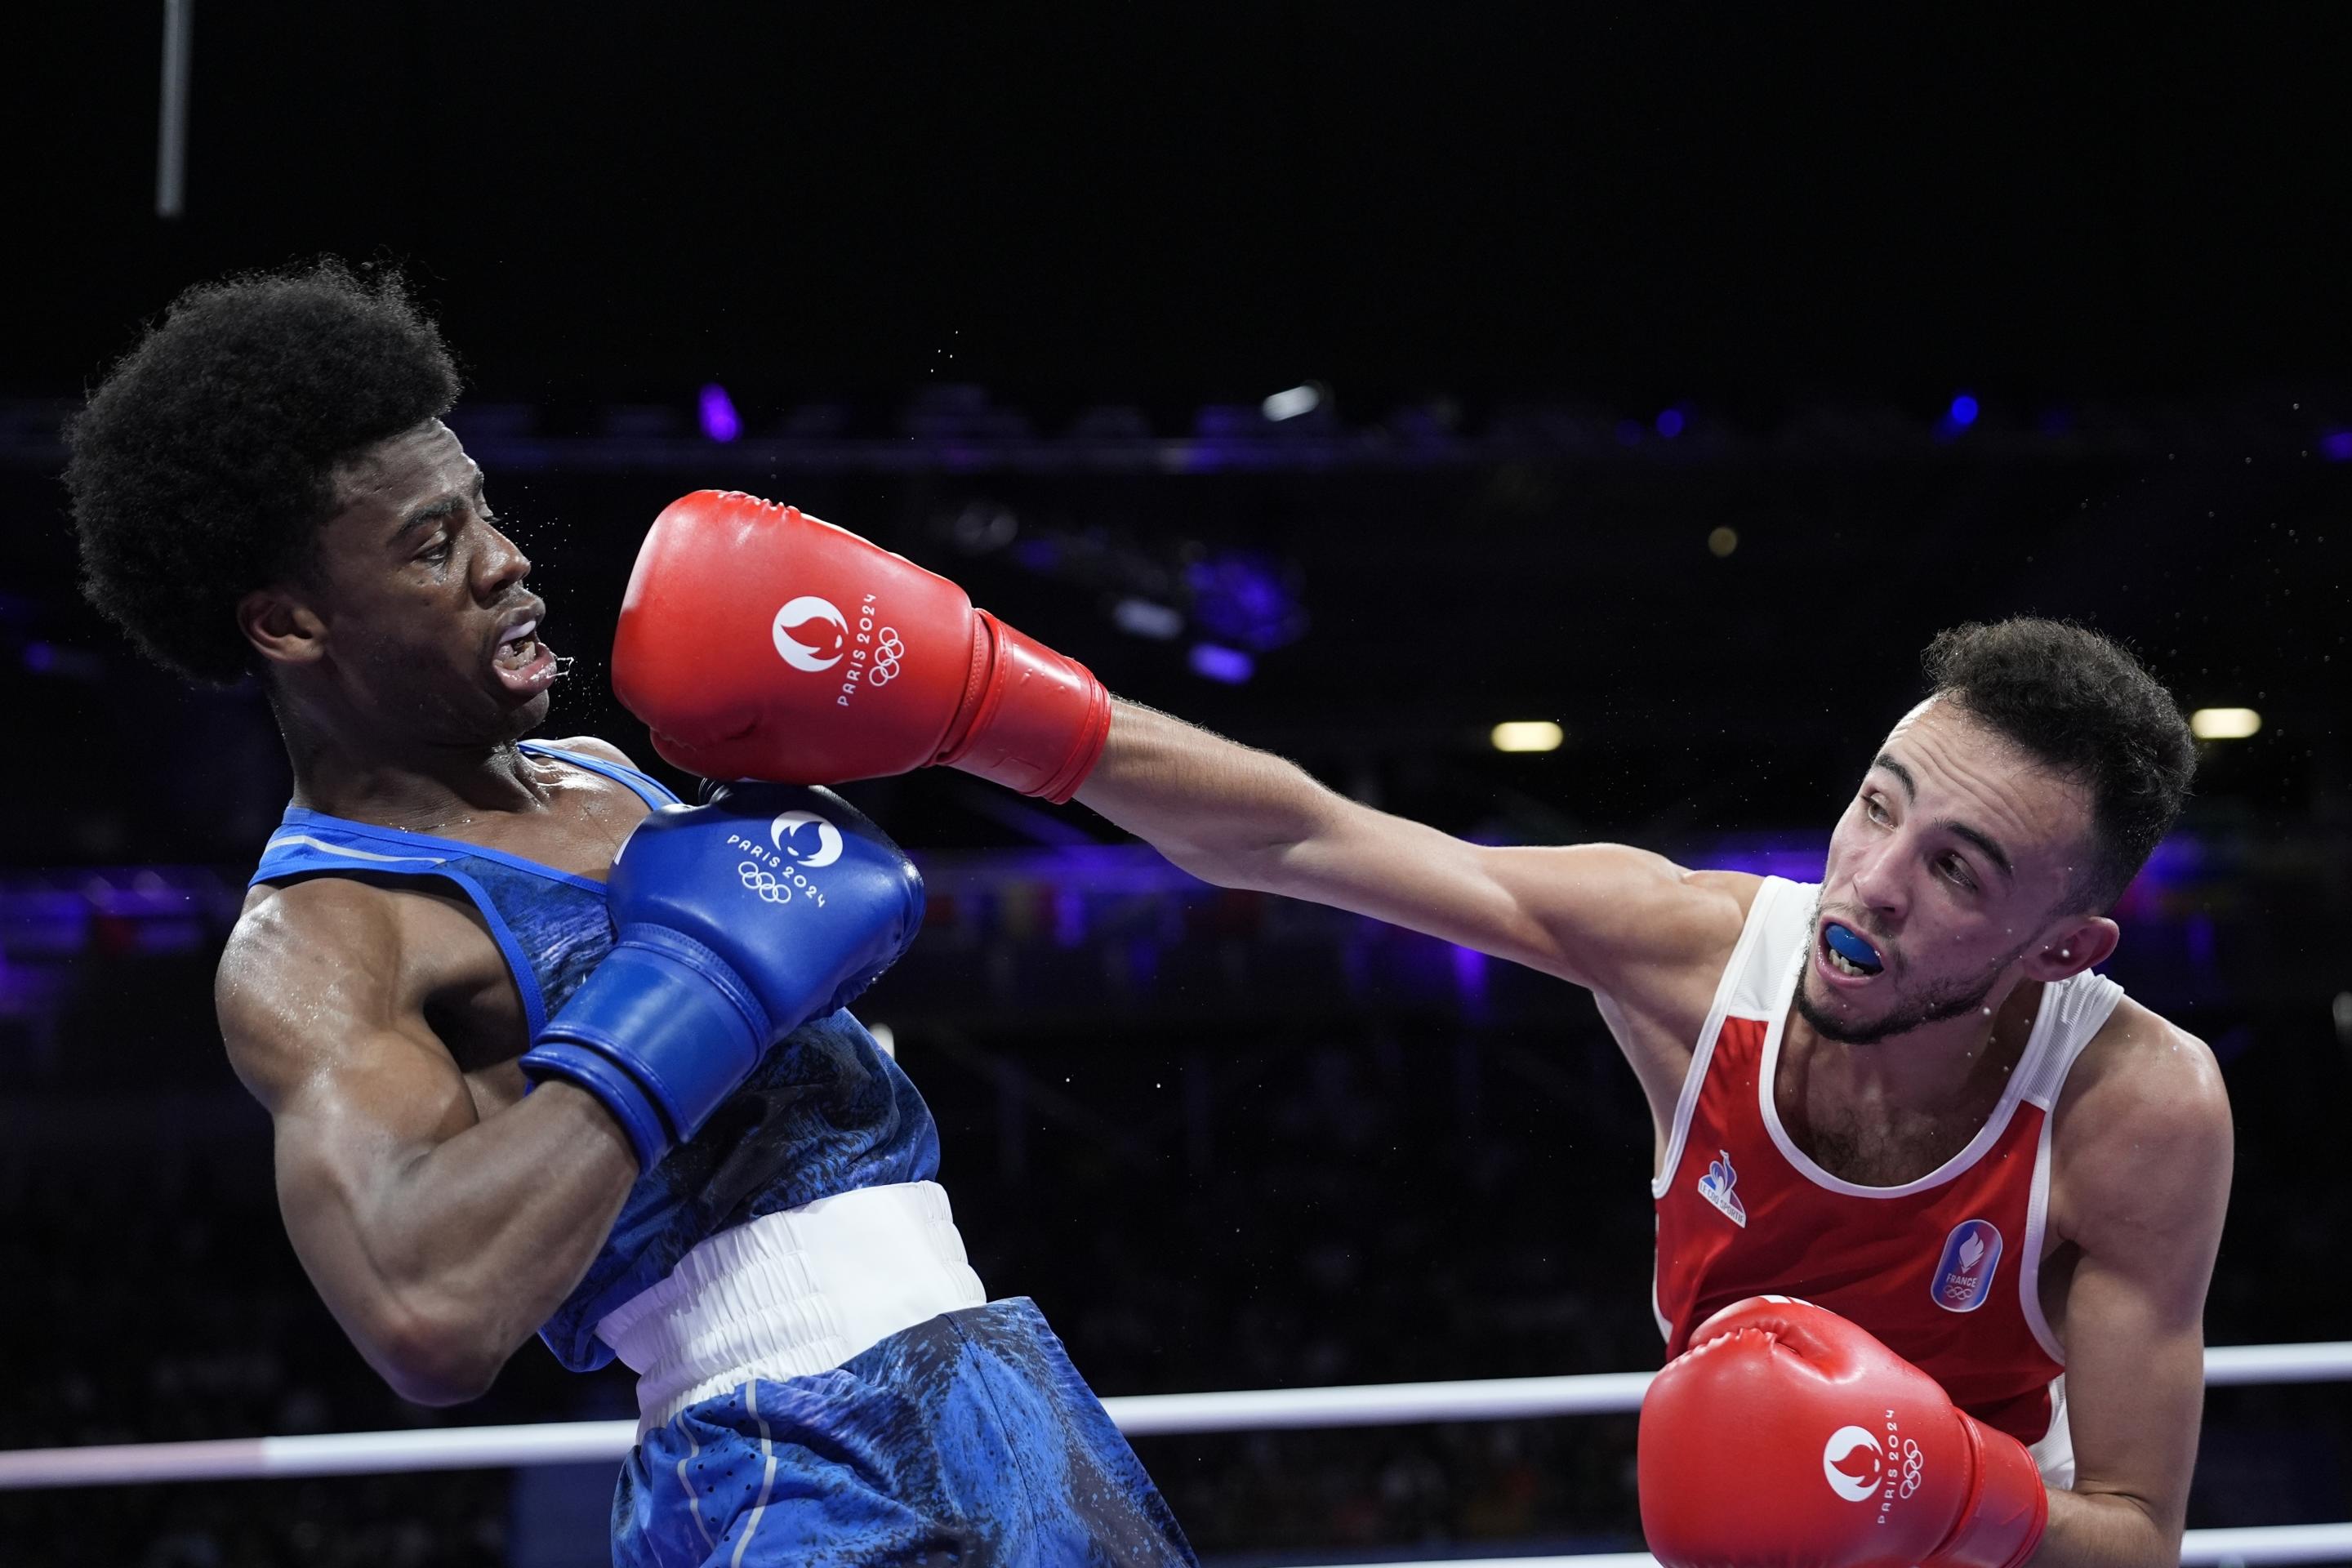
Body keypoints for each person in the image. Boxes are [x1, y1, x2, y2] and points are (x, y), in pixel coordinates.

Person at [614, 492, 2232, 1568]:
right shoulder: (1694, 956)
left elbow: (2136, 1534)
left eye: (1959, 870)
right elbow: (1311, 838)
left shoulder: (2137, 1106)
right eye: (1878, 806)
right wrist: (990, 705)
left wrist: (1934, 1485)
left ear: (2064, 944)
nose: (1871, 880)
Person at [64, 265, 1194, 1568]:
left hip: (992, 1375)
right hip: (782, 1452)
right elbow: (423, 1312)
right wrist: (692, 990)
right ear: (289, 623)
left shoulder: (606, 770)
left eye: (481, 510)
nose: (505, 559)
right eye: (434, 545)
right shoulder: (326, 934)